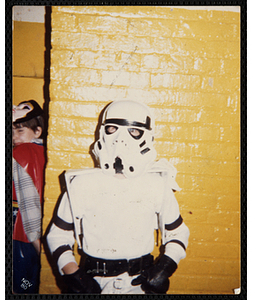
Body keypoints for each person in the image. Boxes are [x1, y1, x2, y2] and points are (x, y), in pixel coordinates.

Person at [46, 100, 189, 294]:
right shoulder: (82, 184)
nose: (121, 139)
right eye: (113, 128)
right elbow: (58, 235)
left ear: (147, 135)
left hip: (139, 283)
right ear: (102, 131)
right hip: (93, 280)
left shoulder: (156, 184)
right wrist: (74, 275)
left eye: (134, 131)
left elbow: (177, 233)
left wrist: (165, 267)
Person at [12, 100, 46, 293]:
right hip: (33, 237)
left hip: (22, 236)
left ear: (37, 131)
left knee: (21, 287)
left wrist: (36, 242)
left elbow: (27, 201)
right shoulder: (42, 151)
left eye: (20, 130)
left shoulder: (21, 153)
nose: (14, 136)